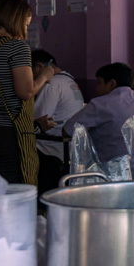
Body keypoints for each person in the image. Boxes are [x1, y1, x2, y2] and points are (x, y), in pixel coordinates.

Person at [0, 0, 55, 185]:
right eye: (26, 24)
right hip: (8, 134)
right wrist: (44, 76)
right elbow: (25, 92)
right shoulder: (16, 47)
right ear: (16, 20)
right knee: (13, 191)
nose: (25, 30)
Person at [63, 62, 134, 163]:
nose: (96, 88)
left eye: (99, 83)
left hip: (112, 171)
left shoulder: (99, 104)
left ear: (112, 83)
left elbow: (67, 130)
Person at [31, 49, 84, 189]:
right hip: (69, 148)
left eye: (30, 72)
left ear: (40, 67)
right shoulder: (69, 80)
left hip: (50, 148)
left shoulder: (51, 84)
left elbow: (39, 119)